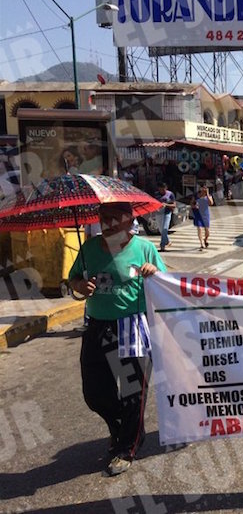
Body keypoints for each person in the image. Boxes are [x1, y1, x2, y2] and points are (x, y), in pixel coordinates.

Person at [68, 202, 166, 477]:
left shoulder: (144, 248)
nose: (106, 223)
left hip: (132, 326)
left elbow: (164, 282)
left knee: (134, 392)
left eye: (113, 218)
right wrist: (79, 285)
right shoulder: (88, 249)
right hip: (98, 325)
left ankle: (127, 447)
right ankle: (121, 427)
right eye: (102, 218)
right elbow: (74, 279)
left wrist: (153, 272)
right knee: (95, 393)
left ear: (128, 219)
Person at [191, 185, 214, 250]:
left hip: (205, 214)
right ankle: (201, 244)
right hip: (198, 214)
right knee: (199, 228)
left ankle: (205, 239)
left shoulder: (208, 196)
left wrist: (207, 193)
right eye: (203, 188)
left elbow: (211, 203)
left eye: (205, 188)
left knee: (207, 231)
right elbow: (192, 204)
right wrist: (194, 206)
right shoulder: (196, 196)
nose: (204, 189)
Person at [156, 183, 176, 252]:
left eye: (163, 189)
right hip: (158, 213)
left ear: (166, 188)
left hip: (167, 213)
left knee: (165, 228)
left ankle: (162, 245)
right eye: (160, 190)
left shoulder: (170, 194)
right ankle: (167, 241)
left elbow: (174, 205)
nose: (162, 191)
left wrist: (166, 205)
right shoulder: (156, 194)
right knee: (161, 230)